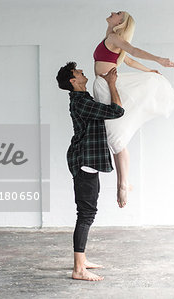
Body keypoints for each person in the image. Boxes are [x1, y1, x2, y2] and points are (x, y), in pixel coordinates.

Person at [93, 11, 174, 208]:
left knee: (115, 136)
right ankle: (123, 182)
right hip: (103, 85)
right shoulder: (110, 37)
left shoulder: (115, 38)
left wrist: (158, 61)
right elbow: (129, 61)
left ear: (120, 22)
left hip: (109, 86)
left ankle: (123, 184)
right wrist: (148, 69)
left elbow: (133, 52)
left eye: (118, 14)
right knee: (115, 136)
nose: (112, 13)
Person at [56, 62, 124, 281]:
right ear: (73, 81)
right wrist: (112, 84)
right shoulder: (81, 102)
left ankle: (82, 260)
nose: (83, 73)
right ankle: (78, 269)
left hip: (88, 161)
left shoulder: (83, 100)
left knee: (87, 213)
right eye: (78, 73)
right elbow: (117, 111)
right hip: (84, 161)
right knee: (86, 214)